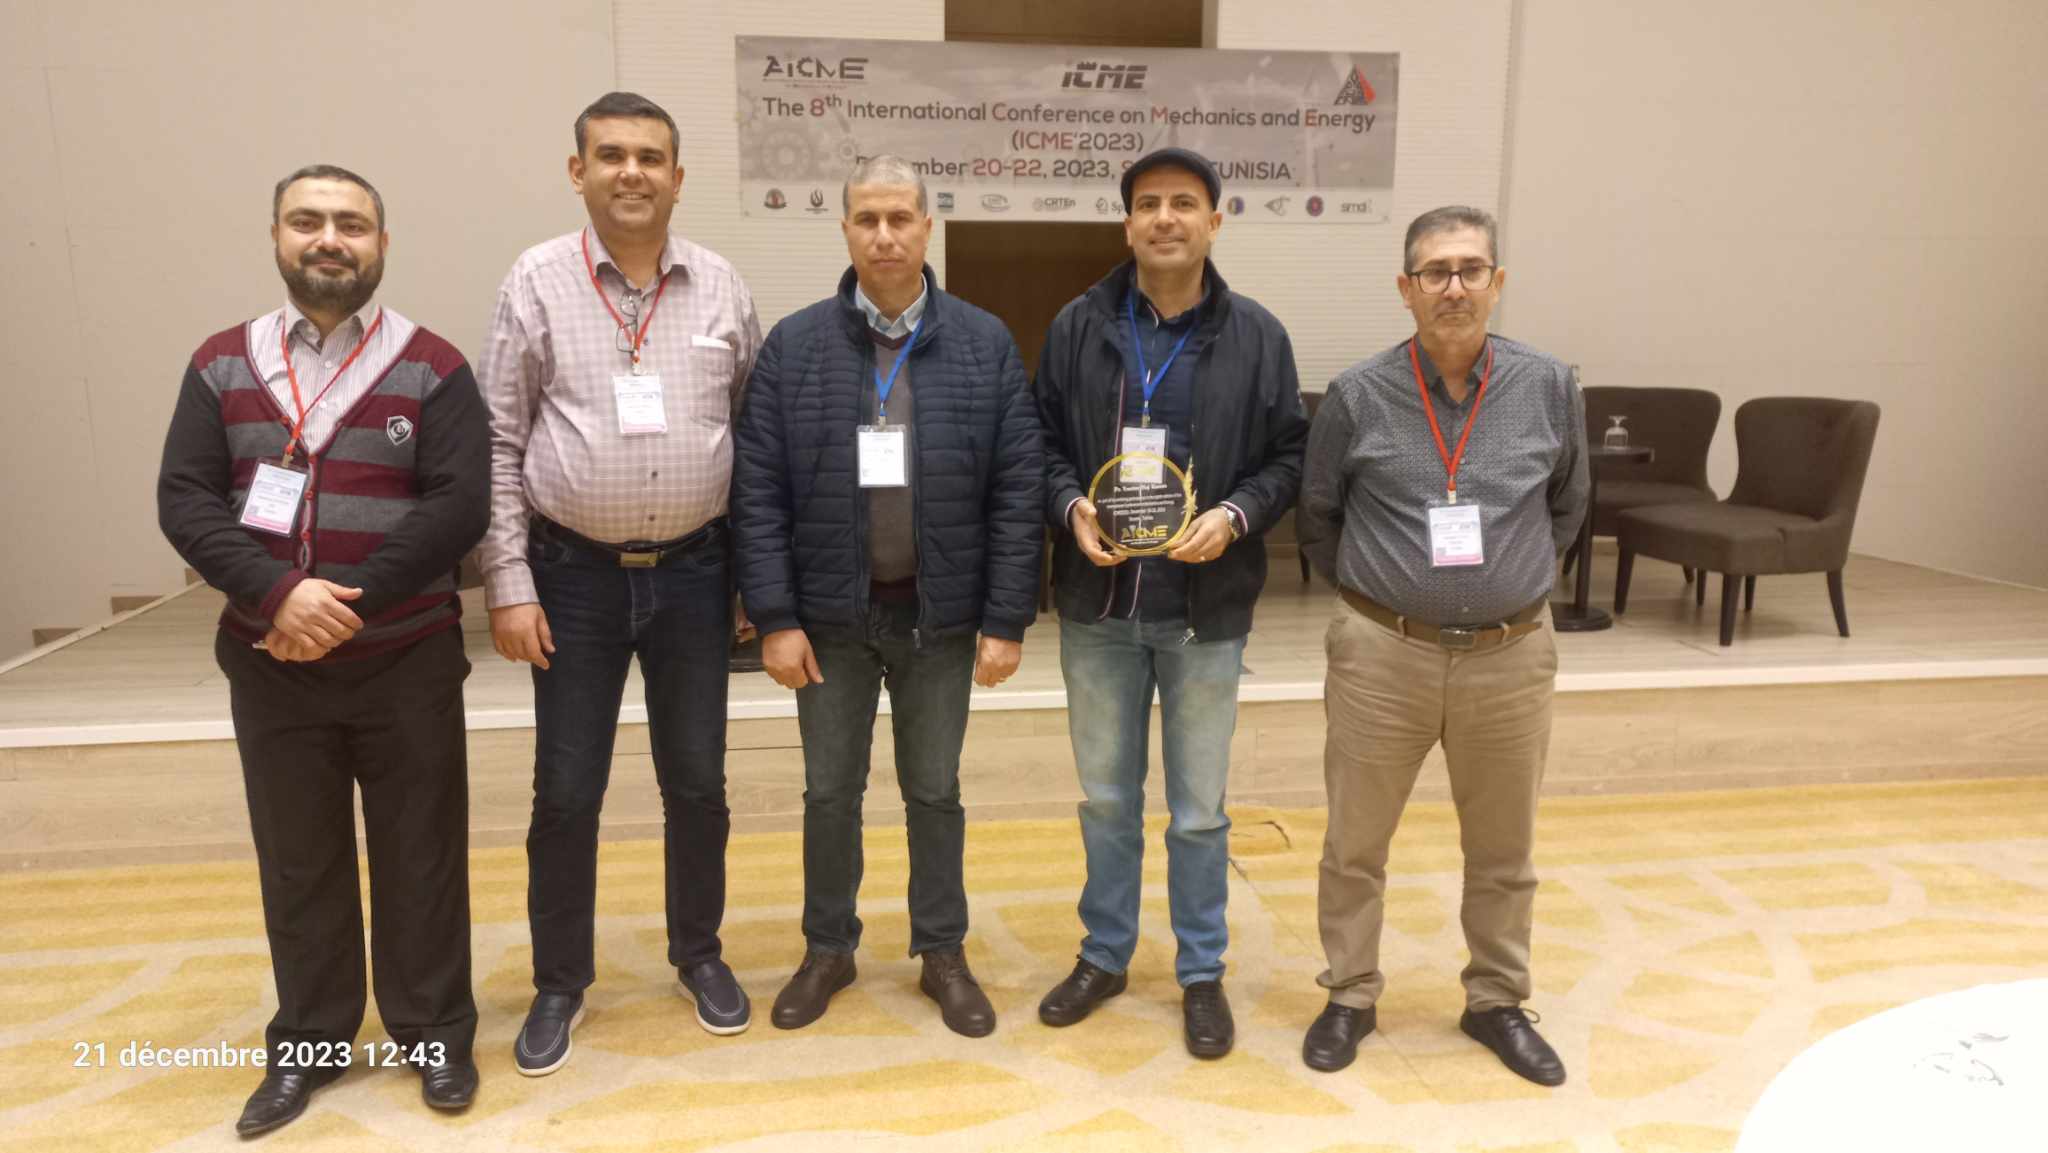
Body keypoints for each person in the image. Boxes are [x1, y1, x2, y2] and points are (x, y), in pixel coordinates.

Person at [157, 164, 488, 1134]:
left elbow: (457, 504)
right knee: (299, 862)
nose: (330, 238)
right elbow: (185, 497)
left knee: (422, 855)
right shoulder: (222, 363)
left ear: (382, 244)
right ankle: (309, 1041)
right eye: (308, 221)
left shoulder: (432, 364)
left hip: (407, 658)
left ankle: (435, 1032)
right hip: (270, 662)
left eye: (352, 223)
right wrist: (278, 596)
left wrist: (343, 603)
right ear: (276, 236)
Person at [476, 91, 762, 1074]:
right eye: (611, 155)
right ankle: (560, 979)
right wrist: (508, 579)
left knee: (698, 781)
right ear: (579, 172)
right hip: (572, 579)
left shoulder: (722, 285)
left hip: (697, 573)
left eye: (649, 157)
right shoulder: (535, 281)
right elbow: (498, 438)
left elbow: (753, 439)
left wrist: (753, 580)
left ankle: (699, 952)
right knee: (566, 789)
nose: (631, 172)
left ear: (678, 178)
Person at [731, 156, 1043, 1037]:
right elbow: (758, 490)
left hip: (938, 617)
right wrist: (776, 617)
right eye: (866, 219)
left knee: (933, 790)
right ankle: (828, 947)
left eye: (900, 218)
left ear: (927, 228)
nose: (884, 235)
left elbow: (1017, 489)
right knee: (829, 792)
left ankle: (942, 950)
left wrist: (1006, 617)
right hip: (828, 620)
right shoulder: (795, 345)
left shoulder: (983, 342)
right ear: (844, 230)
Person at [1296, 205, 1588, 1084]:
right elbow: (1318, 516)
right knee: (1355, 842)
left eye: (1470, 269)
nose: (1453, 286)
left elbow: (1569, 505)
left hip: (1511, 654)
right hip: (1383, 653)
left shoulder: (1549, 385)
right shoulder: (1357, 394)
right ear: (1406, 288)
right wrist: (1385, 597)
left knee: (1504, 848)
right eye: (1435, 271)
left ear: (1497, 282)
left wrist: (1508, 583)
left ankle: (1496, 998)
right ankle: (1350, 992)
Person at [1033, 147, 1307, 1059]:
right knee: (1108, 799)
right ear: (1126, 225)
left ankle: (1200, 971)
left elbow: (1290, 455)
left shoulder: (1258, 334)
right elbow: (1038, 437)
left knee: (1198, 811)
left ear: (1214, 222)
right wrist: (1068, 506)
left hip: (1205, 610)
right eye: (1147, 203)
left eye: (1183, 203)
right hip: (1099, 607)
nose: (1164, 218)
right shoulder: (1078, 325)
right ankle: (1105, 954)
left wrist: (1236, 516)